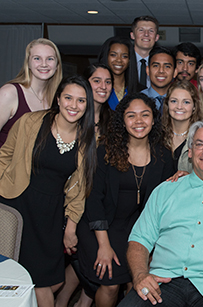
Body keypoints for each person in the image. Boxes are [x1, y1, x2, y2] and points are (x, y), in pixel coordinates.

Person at [117, 119, 203, 307]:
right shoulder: (165, 191)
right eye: (199, 144)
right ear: (190, 151)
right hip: (164, 281)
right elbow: (139, 240)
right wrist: (140, 275)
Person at [0, 75, 97, 307]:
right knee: (36, 282)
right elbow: (4, 156)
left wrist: (71, 226)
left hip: (51, 214)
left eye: (81, 101)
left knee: (52, 282)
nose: (74, 105)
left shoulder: (87, 139)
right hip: (18, 206)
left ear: (88, 105)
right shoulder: (30, 122)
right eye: (68, 98)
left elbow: (80, 188)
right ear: (58, 99)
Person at [77, 93, 174, 307]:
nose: (139, 121)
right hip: (101, 225)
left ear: (153, 119)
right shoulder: (105, 151)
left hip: (136, 228)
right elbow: (93, 199)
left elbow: (166, 201)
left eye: (145, 115)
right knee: (111, 284)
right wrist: (104, 245)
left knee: (136, 282)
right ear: (122, 121)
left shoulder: (164, 155)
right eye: (131, 115)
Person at [55, 63, 114, 307]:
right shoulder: (74, 117)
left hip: (99, 198)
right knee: (75, 261)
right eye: (96, 80)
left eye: (108, 81)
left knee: (87, 262)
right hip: (72, 199)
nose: (103, 86)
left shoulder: (113, 119)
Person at [0, 38, 62, 147]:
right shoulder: (9, 93)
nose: (44, 64)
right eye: (37, 58)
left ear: (57, 65)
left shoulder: (58, 99)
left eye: (50, 59)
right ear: (28, 63)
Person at [161, 80, 203, 172]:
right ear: (167, 104)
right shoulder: (157, 135)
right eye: (174, 101)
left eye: (186, 102)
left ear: (194, 106)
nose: (179, 106)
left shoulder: (202, 137)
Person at [98, 36, 142, 110]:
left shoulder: (140, 90)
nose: (119, 60)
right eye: (113, 55)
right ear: (106, 56)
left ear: (129, 60)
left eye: (124, 56)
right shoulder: (97, 89)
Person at [141, 46, 177, 111]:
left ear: (175, 72)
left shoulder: (182, 100)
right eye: (156, 66)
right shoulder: (138, 99)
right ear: (147, 70)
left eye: (167, 66)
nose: (161, 70)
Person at [130, 15, 160, 89]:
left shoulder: (162, 65)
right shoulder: (124, 62)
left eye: (151, 31)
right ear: (132, 35)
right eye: (141, 30)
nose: (146, 34)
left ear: (156, 37)